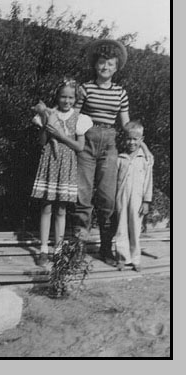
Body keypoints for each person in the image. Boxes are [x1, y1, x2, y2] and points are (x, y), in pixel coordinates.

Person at [73, 39, 151, 265]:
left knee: (108, 198)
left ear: (116, 67)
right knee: (83, 195)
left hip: (110, 145)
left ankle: (107, 247)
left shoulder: (120, 93)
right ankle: (78, 246)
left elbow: (127, 126)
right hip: (86, 142)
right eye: (101, 63)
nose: (105, 67)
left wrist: (143, 146)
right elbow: (74, 118)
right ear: (95, 65)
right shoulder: (85, 88)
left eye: (110, 64)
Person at [31, 78, 93, 266]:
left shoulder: (79, 117)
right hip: (50, 161)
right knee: (46, 206)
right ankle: (43, 249)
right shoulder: (49, 113)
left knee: (61, 209)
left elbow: (80, 147)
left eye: (71, 97)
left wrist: (60, 136)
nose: (67, 101)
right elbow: (41, 142)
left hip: (67, 164)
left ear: (75, 99)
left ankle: (58, 249)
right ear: (57, 97)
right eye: (63, 97)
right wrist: (46, 128)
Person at [115, 121, 154, 272]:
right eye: (128, 139)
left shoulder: (145, 159)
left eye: (135, 139)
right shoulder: (120, 157)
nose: (131, 142)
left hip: (138, 199)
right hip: (121, 197)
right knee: (121, 228)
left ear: (141, 139)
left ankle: (135, 259)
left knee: (135, 228)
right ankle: (122, 258)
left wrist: (146, 201)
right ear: (124, 139)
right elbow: (114, 180)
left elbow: (148, 181)